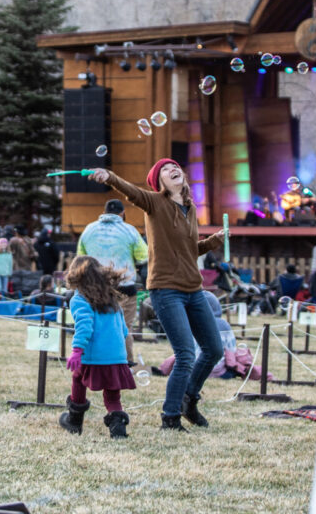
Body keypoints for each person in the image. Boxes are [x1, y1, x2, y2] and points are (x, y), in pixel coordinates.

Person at [88, 158, 226, 431]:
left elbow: (188, 249)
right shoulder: (154, 202)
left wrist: (213, 241)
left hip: (194, 289)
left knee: (214, 349)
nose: (173, 169)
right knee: (185, 354)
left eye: (175, 166)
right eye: (165, 168)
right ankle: (170, 418)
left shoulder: (190, 207)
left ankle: (189, 399)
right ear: (158, 181)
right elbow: (131, 192)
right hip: (166, 289)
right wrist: (110, 177)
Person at [58, 256, 137, 438]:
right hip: (116, 355)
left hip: (93, 355)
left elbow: (84, 326)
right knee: (112, 394)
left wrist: (77, 351)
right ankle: (118, 428)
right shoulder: (111, 299)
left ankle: (74, 421)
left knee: (78, 378)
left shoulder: (79, 299)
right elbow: (124, 329)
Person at [77, 199, 149, 365]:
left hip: (94, 287)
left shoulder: (89, 229)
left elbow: (80, 258)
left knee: (95, 326)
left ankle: (95, 360)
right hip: (124, 287)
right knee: (124, 327)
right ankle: (126, 362)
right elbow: (143, 257)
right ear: (123, 213)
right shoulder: (130, 230)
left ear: (104, 212)